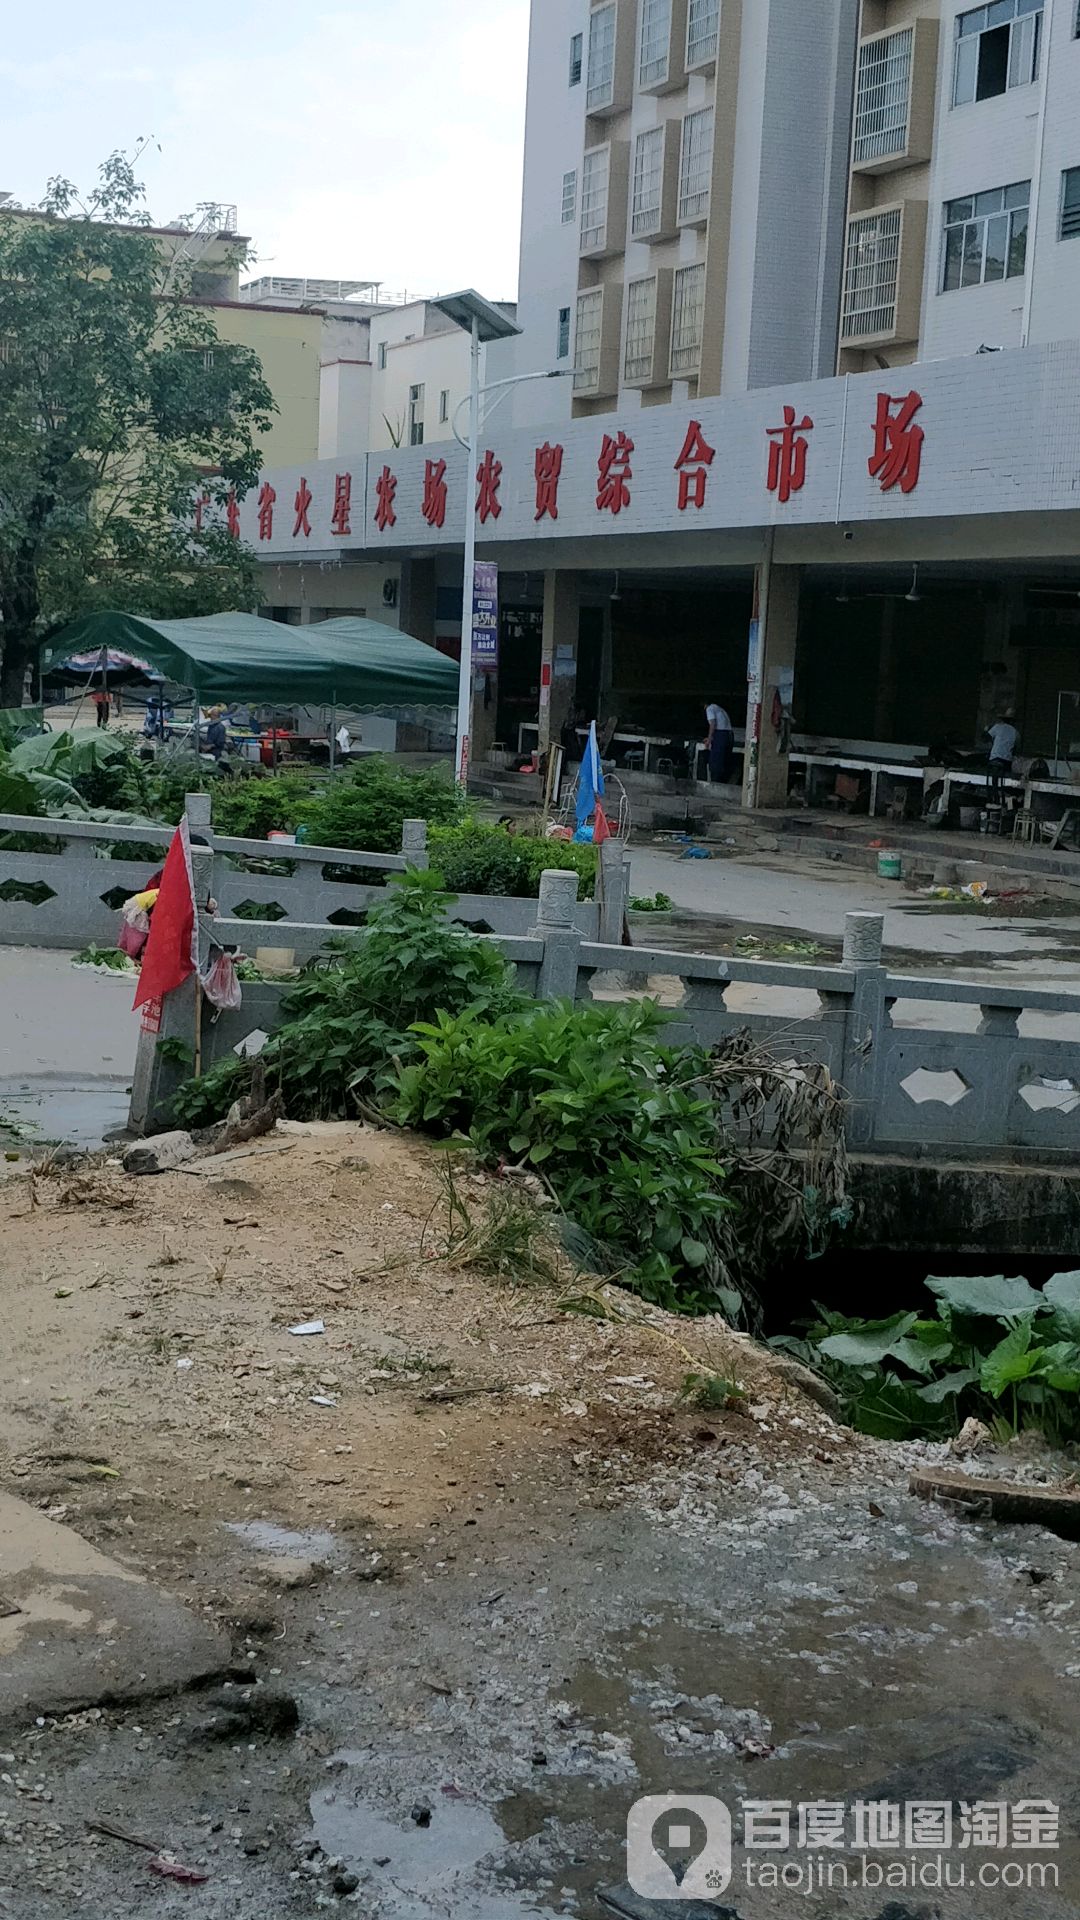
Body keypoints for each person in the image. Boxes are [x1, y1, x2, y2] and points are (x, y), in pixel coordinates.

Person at [986, 709, 1019, 799]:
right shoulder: (1015, 732)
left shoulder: (997, 727)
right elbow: (1015, 749)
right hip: (1007, 762)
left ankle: (994, 795)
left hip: (994, 759)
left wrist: (986, 729)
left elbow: (985, 738)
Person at [703, 700, 734, 783]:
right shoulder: (719, 709)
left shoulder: (709, 708)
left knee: (716, 760)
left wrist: (709, 739)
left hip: (721, 734)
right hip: (728, 734)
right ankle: (723, 781)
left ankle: (715, 782)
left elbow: (712, 724)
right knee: (725, 759)